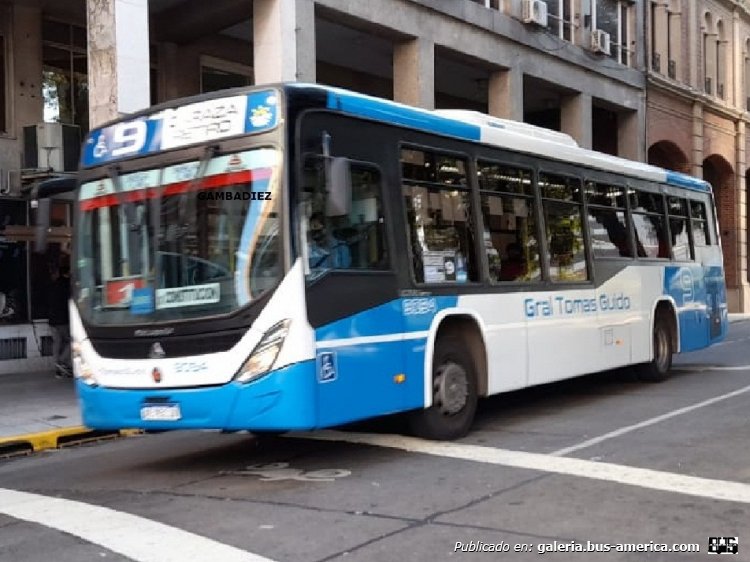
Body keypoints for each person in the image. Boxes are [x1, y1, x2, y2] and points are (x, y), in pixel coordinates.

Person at [48, 259, 72, 378]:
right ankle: (62, 362)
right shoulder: (67, 284)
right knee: (71, 341)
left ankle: (58, 369)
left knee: (57, 343)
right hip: (62, 319)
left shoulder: (52, 284)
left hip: (52, 320)